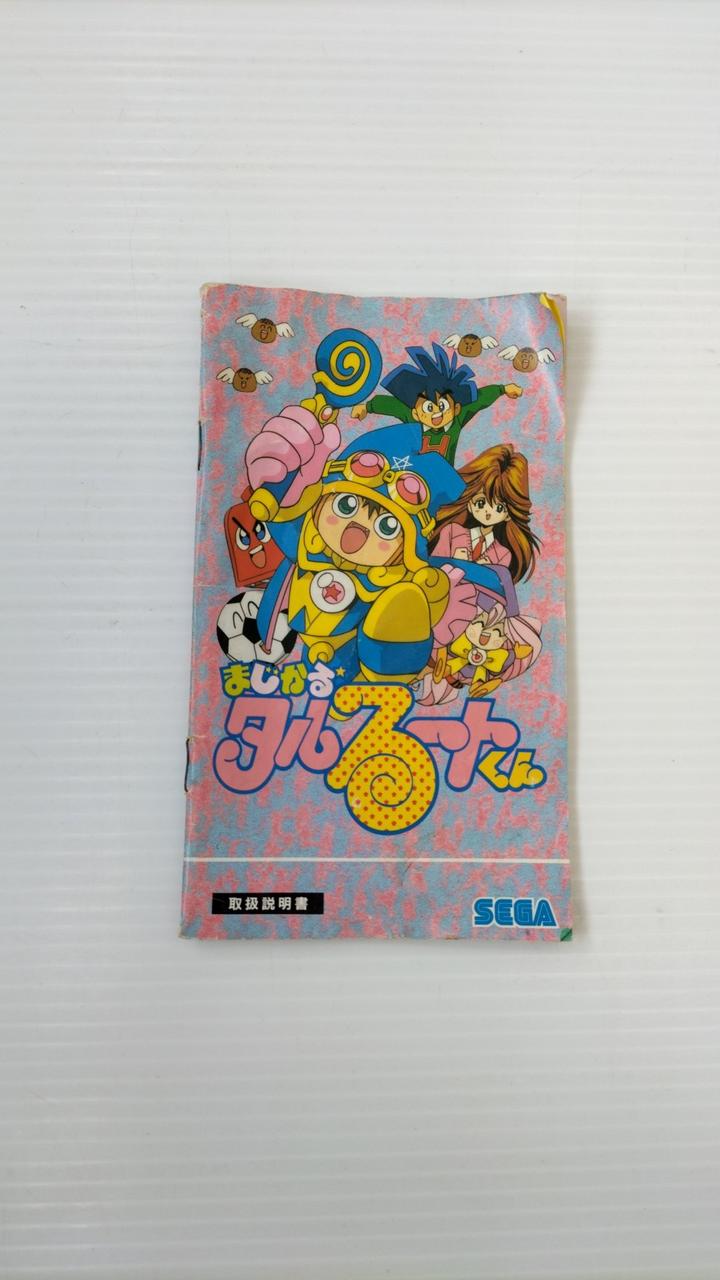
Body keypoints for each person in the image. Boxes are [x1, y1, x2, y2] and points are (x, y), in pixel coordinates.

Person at [351, 343, 522, 465]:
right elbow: (391, 404)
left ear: (456, 408)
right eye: (428, 408)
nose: (436, 413)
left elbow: (479, 399)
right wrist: (367, 407)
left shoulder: (456, 420)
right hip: (412, 478)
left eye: (442, 406)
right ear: (416, 413)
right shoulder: (413, 418)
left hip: (442, 482)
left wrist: (502, 389)